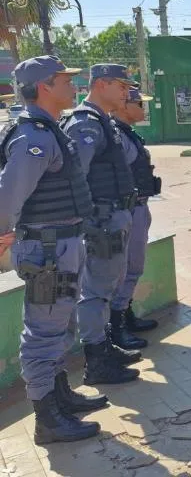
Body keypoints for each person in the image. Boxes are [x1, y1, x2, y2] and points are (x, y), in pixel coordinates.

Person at [0, 55, 107, 444]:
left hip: (61, 244)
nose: (73, 86)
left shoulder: (50, 129)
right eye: (65, 80)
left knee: (61, 325)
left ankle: (60, 395)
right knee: (44, 333)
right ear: (44, 85)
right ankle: (47, 418)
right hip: (46, 250)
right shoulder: (34, 137)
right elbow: (7, 198)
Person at [62, 63, 142, 386]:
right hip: (101, 221)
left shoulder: (103, 122)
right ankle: (96, 361)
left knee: (106, 287)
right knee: (94, 292)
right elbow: (76, 175)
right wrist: (89, 218)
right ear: (102, 84)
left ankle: (104, 347)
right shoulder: (86, 124)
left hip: (113, 216)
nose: (126, 92)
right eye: (121, 86)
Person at [108, 86, 161, 351]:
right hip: (127, 210)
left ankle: (124, 314)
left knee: (133, 266)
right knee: (125, 268)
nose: (143, 108)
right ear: (123, 105)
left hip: (137, 207)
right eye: (139, 103)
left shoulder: (126, 133)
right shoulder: (116, 134)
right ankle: (116, 326)